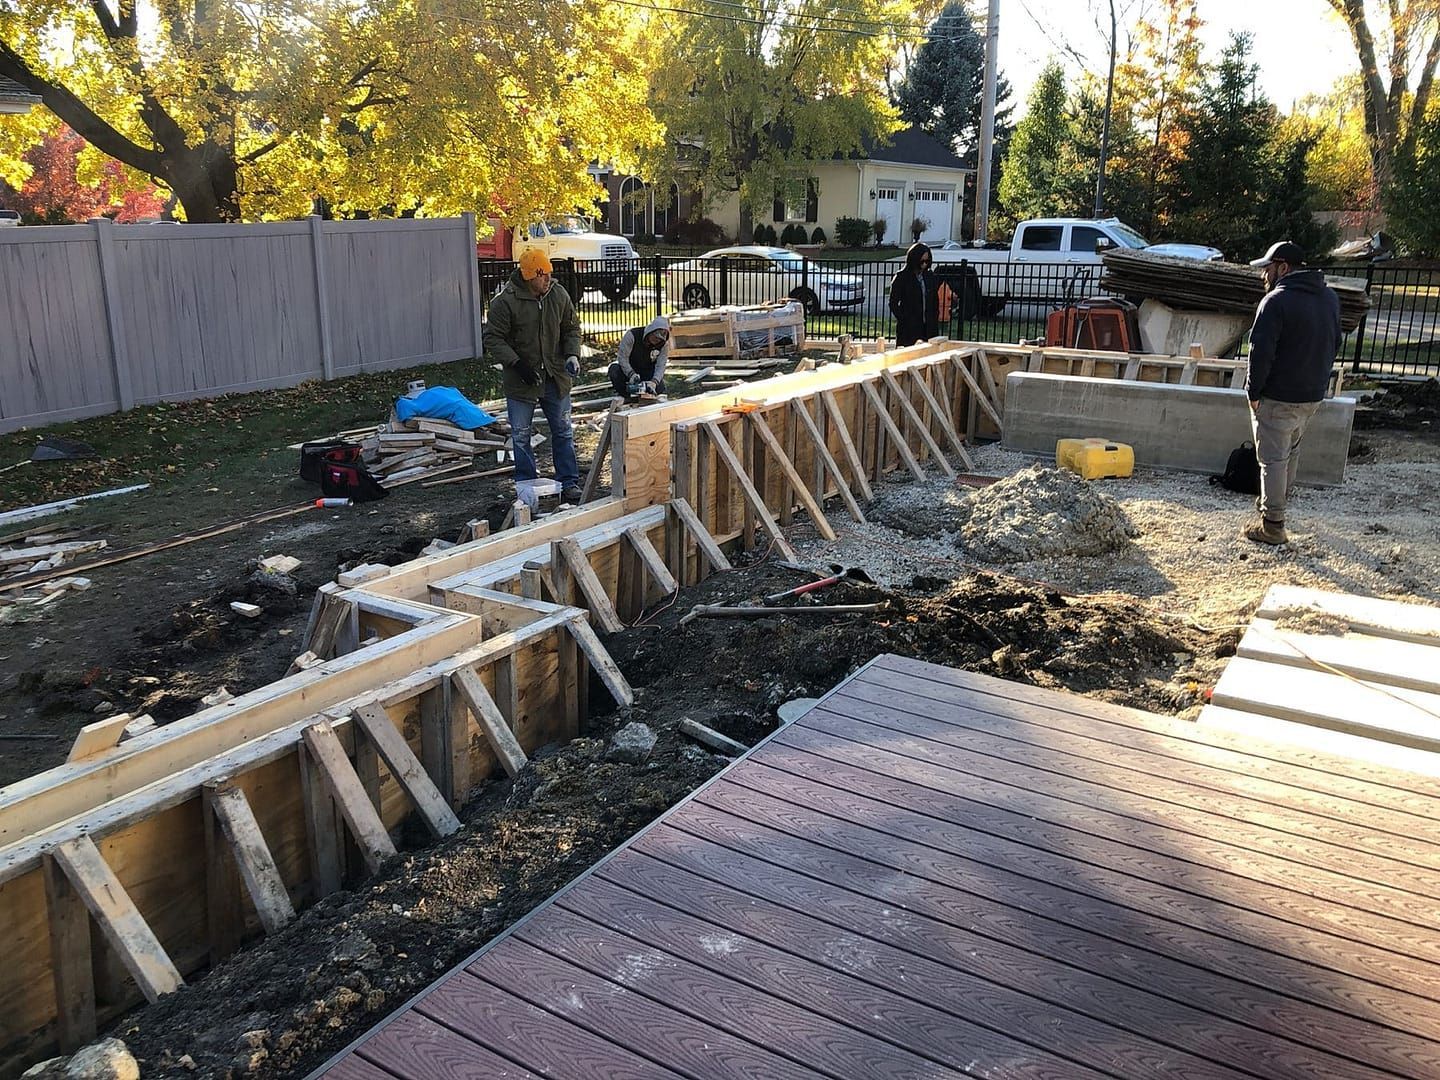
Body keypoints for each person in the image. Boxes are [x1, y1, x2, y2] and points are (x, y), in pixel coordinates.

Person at [1243, 240, 1341, 546]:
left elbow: (1260, 353)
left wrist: (1253, 391)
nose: (1266, 275)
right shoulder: (1329, 298)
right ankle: (1279, 503)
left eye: (1269, 268)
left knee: (1272, 459)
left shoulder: (1275, 301)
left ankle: (1273, 524)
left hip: (1278, 394)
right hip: (1311, 394)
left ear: (1283, 267)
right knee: (1290, 452)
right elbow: (1334, 342)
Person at [486, 248, 584, 503]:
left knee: (563, 430)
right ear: (528, 276)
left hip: (555, 376)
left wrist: (572, 355)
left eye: (549, 273)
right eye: (542, 276)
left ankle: (569, 482)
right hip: (522, 380)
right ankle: (526, 486)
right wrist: (517, 365)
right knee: (520, 434)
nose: (547, 279)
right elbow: (493, 338)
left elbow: (571, 328)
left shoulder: (558, 294)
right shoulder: (505, 302)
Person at [889, 242, 940, 347]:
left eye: (927, 261)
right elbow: (893, 302)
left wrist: (934, 317)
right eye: (922, 261)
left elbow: (934, 300)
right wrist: (904, 319)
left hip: (928, 327)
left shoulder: (929, 276)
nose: (925, 264)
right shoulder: (902, 277)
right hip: (909, 328)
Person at [609, 316, 672, 398]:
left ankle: (646, 394)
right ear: (650, 331)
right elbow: (622, 358)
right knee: (614, 370)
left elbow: (661, 365)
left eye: (659, 339)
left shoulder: (663, 345)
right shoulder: (632, 335)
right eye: (655, 337)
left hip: (647, 371)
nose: (657, 341)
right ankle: (626, 395)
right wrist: (631, 374)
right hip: (629, 369)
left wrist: (654, 382)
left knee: (659, 388)